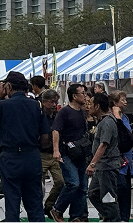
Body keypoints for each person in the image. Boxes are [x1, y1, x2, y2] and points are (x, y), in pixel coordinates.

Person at [0, 71, 49, 223]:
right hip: (32, 156)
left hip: (10, 157)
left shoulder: (3, 106)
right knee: (35, 204)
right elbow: (45, 137)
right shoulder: (36, 105)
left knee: (12, 204)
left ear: (9, 86)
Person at [49, 83, 89, 223]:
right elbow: (56, 130)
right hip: (67, 153)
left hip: (81, 153)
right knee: (73, 183)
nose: (85, 96)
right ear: (74, 96)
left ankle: (76, 216)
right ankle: (57, 209)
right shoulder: (65, 112)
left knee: (83, 187)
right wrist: (56, 150)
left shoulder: (82, 112)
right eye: (82, 93)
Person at [86, 93, 121, 223]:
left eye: (91, 103)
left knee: (108, 197)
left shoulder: (107, 122)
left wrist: (92, 163)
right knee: (93, 194)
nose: (88, 106)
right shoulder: (102, 122)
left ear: (98, 106)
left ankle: (113, 219)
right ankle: (109, 217)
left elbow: (103, 145)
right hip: (102, 167)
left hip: (108, 166)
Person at [109, 90, 133, 222]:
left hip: (127, 161)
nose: (126, 102)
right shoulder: (112, 118)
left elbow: (125, 137)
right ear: (115, 103)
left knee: (126, 190)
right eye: (122, 100)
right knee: (118, 190)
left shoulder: (125, 117)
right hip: (117, 161)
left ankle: (125, 218)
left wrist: (132, 133)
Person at [39, 89, 64, 218]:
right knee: (39, 186)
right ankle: (38, 208)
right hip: (41, 154)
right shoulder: (38, 115)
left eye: (56, 102)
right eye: (51, 102)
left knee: (61, 181)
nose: (54, 104)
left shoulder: (58, 116)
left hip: (55, 154)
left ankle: (49, 205)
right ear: (44, 102)